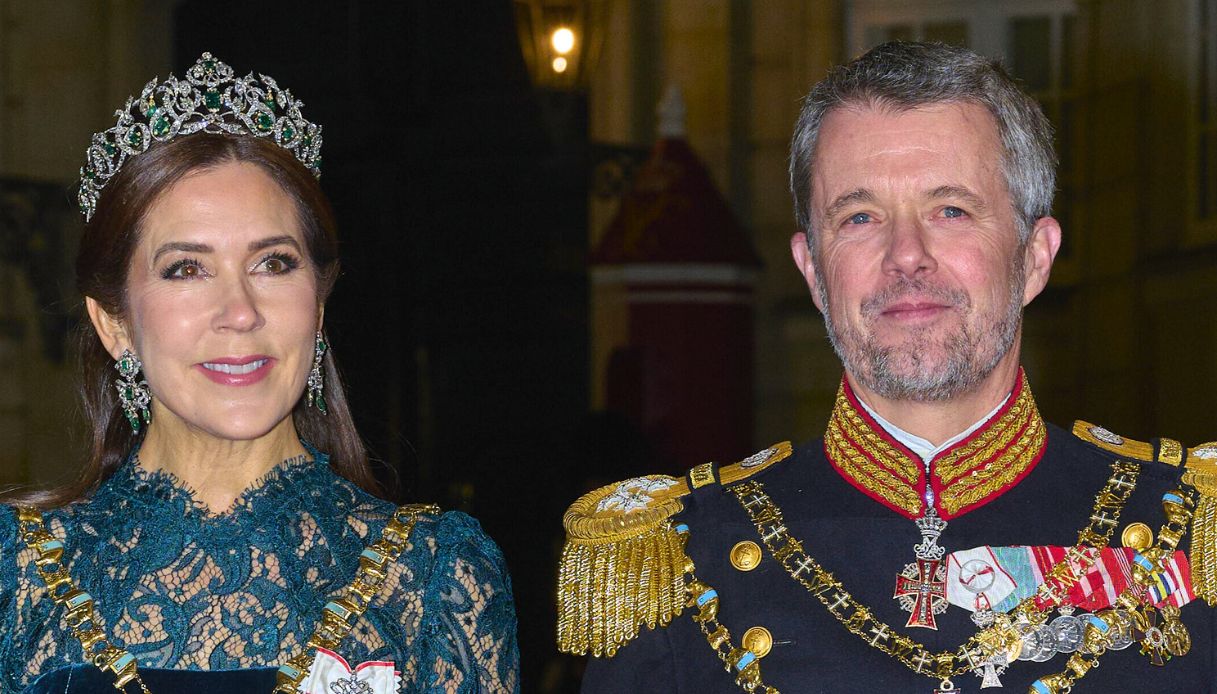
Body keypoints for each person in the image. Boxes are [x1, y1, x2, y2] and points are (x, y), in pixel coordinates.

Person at [558, 42, 1217, 693]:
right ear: (813, 271)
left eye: (950, 210)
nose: (906, 254)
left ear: (1035, 258)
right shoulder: (681, 559)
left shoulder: (1191, 533)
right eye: (860, 216)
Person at [0, 54, 519, 694]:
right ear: (115, 324)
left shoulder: (435, 576)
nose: (241, 312)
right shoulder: (17, 574)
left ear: (318, 307)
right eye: (186, 269)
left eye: (273, 263)